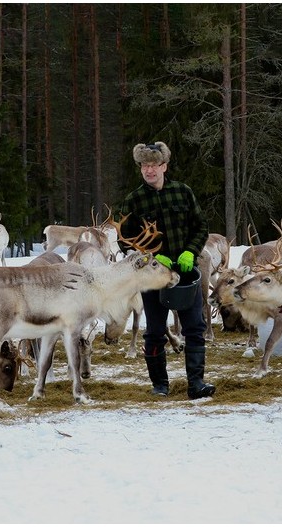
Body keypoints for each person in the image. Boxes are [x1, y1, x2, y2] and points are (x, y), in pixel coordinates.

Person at [119, 141, 216, 399]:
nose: (149, 170)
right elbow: (124, 241)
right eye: (144, 165)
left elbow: (201, 226)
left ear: (164, 166)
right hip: (152, 277)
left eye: (154, 165)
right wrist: (151, 256)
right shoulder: (134, 200)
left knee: (194, 327)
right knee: (154, 331)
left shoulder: (183, 192)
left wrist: (190, 251)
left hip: (185, 273)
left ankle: (196, 384)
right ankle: (160, 385)